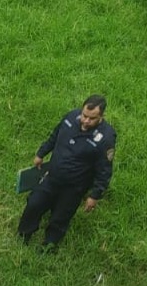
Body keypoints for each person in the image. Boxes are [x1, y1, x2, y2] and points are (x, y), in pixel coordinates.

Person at [17, 95, 117, 252]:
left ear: (101, 116)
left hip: (74, 186)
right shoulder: (70, 117)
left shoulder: (106, 137)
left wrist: (94, 195)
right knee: (34, 204)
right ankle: (24, 235)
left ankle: (49, 245)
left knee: (60, 217)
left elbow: (104, 169)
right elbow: (55, 135)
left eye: (92, 118)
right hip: (53, 176)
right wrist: (41, 154)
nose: (85, 121)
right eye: (84, 115)